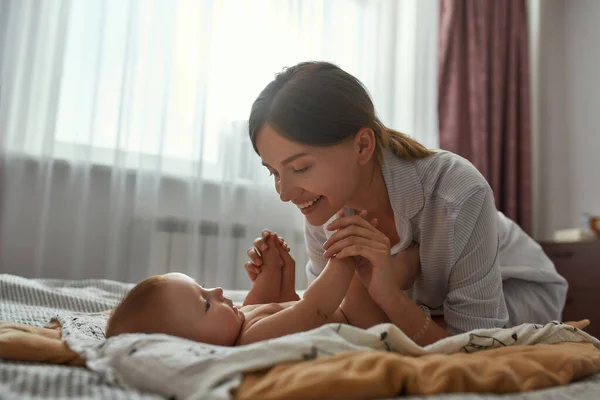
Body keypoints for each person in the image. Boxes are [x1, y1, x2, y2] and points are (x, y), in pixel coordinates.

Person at [244, 61, 568, 345]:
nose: (285, 193)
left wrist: (391, 298)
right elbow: (334, 316)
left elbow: (477, 347)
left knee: (377, 311)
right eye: (274, 172)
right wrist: (282, 291)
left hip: (514, 286)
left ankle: (405, 275)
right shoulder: (323, 205)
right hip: (431, 300)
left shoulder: (457, 192)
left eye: (300, 168)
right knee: (358, 305)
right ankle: (404, 274)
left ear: (362, 146)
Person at [106, 226, 420, 346]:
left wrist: (273, 265)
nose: (216, 292)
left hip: (343, 311)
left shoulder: (241, 318)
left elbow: (281, 300)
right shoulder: (252, 338)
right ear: (198, 345)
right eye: (204, 303)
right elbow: (315, 309)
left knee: (371, 256)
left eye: (203, 287)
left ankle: (410, 258)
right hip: (360, 322)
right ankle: (416, 256)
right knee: (366, 260)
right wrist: (344, 260)